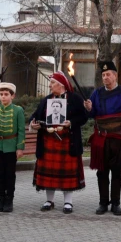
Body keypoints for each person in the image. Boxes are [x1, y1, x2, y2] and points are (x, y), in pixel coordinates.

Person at [84, 61, 121, 216]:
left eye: (108, 74)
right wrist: (89, 109)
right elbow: (92, 115)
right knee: (101, 172)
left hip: (120, 139)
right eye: (103, 75)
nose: (105, 77)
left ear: (115, 76)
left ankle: (115, 203)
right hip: (101, 138)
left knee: (117, 172)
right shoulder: (96, 93)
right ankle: (103, 203)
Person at [29, 71, 88, 214]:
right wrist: (34, 123)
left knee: (66, 174)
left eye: (52, 83)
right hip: (48, 141)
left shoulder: (74, 99)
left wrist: (71, 123)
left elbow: (84, 117)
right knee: (50, 174)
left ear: (61, 85)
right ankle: (49, 200)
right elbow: (35, 116)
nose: (50, 86)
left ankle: (68, 202)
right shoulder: (46, 100)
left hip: (68, 142)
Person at [0, 83, 26, 213]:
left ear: (12, 96)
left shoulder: (18, 110)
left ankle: (9, 200)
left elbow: (21, 131)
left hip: (11, 146)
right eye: (1, 94)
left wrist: (20, 148)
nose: (3, 97)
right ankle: (0, 200)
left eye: (6, 95)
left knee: (9, 174)